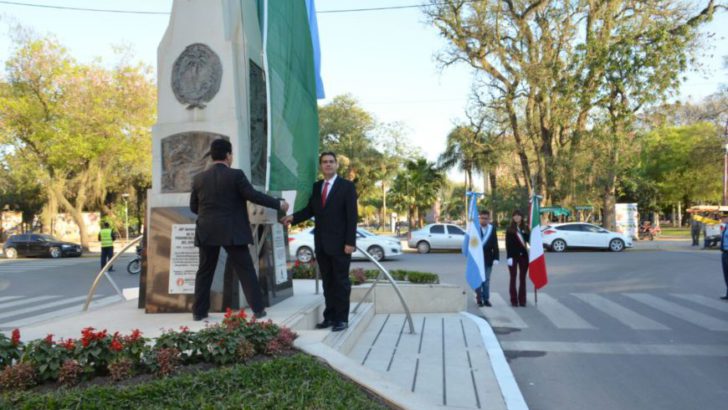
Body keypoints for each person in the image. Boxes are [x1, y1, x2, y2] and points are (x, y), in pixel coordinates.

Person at [190, 139, 289, 321]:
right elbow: (253, 195)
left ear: (212, 156)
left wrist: (210, 216)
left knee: (204, 271)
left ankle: (199, 312)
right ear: (228, 156)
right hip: (232, 231)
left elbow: (193, 207)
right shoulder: (236, 175)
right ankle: (258, 310)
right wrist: (278, 203)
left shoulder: (198, 178)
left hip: (207, 231)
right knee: (245, 271)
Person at [281, 152, 358, 332]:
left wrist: (350, 242)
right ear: (321, 166)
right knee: (327, 283)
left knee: (341, 283)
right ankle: (329, 317)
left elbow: (352, 216)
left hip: (341, 246)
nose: (328, 165)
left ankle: (342, 319)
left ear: (336, 165)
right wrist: (293, 217)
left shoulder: (346, 186)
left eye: (331, 162)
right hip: (322, 244)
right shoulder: (317, 187)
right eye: (325, 162)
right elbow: (310, 210)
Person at [505, 209, 530, 307]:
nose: (516, 217)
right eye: (515, 216)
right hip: (513, 256)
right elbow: (508, 244)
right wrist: (509, 257)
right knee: (513, 278)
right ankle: (514, 300)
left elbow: (529, 240)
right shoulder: (509, 229)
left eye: (518, 215)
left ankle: (522, 300)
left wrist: (531, 232)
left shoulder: (526, 228)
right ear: (512, 217)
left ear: (522, 217)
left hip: (523, 256)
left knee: (522, 278)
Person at [477, 210, 499, 307]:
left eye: (486, 218)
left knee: (486, 280)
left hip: (488, 258)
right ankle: (479, 299)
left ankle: (486, 299)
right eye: (482, 218)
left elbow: (495, 244)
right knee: (478, 280)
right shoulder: (475, 229)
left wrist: (496, 258)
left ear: (489, 219)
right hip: (477, 259)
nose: (484, 220)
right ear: (479, 218)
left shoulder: (492, 229)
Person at [720, 214, 728, 301]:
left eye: (725, 217)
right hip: (725, 253)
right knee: (726, 275)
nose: (723, 219)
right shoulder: (725, 227)